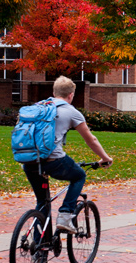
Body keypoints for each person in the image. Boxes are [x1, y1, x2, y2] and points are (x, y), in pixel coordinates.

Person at [22, 76, 113, 232]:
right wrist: (105, 158)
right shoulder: (71, 112)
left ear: (54, 92)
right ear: (71, 95)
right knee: (79, 176)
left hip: (29, 161)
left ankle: (40, 251)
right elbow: (91, 140)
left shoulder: (38, 107)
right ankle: (65, 214)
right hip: (53, 160)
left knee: (42, 203)